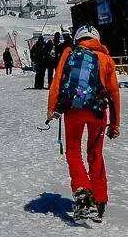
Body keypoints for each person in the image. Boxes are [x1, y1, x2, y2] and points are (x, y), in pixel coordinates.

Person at [47, 25, 121, 223]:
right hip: (98, 112)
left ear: (77, 38)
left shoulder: (69, 53)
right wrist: (115, 124)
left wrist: (52, 109)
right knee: (95, 153)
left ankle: (82, 191)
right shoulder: (105, 58)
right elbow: (114, 93)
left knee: (73, 151)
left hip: (73, 110)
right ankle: (99, 200)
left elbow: (57, 82)